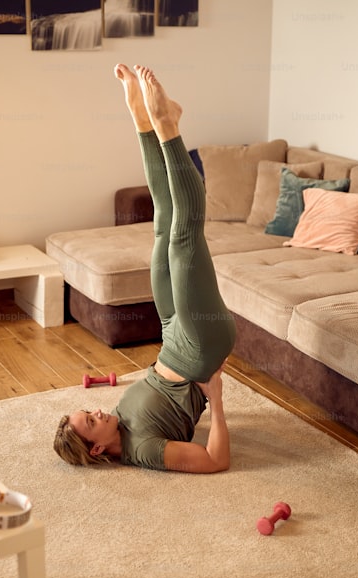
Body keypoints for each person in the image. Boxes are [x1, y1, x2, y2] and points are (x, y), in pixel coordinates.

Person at [53, 64, 235, 474]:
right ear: (99, 450)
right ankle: (168, 128)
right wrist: (217, 398)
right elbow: (214, 461)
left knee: (162, 225)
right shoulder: (144, 451)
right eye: (92, 422)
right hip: (200, 347)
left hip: (171, 338)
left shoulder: (118, 419)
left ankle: (144, 122)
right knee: (185, 234)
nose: (98, 412)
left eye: (89, 412)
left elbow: (154, 397)